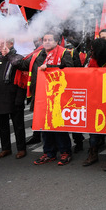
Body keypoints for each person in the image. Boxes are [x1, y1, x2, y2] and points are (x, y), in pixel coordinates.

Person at [15, 32, 75, 166]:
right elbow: (24, 65)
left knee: (58, 125)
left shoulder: (65, 53)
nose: (46, 42)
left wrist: (50, 68)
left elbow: (70, 70)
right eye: (45, 40)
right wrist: (10, 54)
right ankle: (49, 152)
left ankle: (65, 151)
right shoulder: (38, 55)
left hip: (58, 95)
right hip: (41, 95)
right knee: (44, 126)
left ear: (56, 42)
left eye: (50, 40)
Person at [82, 38, 106, 171]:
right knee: (93, 131)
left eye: (93, 49)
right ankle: (93, 154)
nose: (91, 51)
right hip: (96, 102)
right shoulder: (92, 62)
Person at [0, 39, 27, 160]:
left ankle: (21, 149)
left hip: (14, 95)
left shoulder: (17, 57)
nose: (1, 45)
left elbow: (21, 71)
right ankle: (5, 148)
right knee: (2, 124)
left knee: (18, 125)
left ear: (11, 44)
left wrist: (9, 55)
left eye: (4, 43)